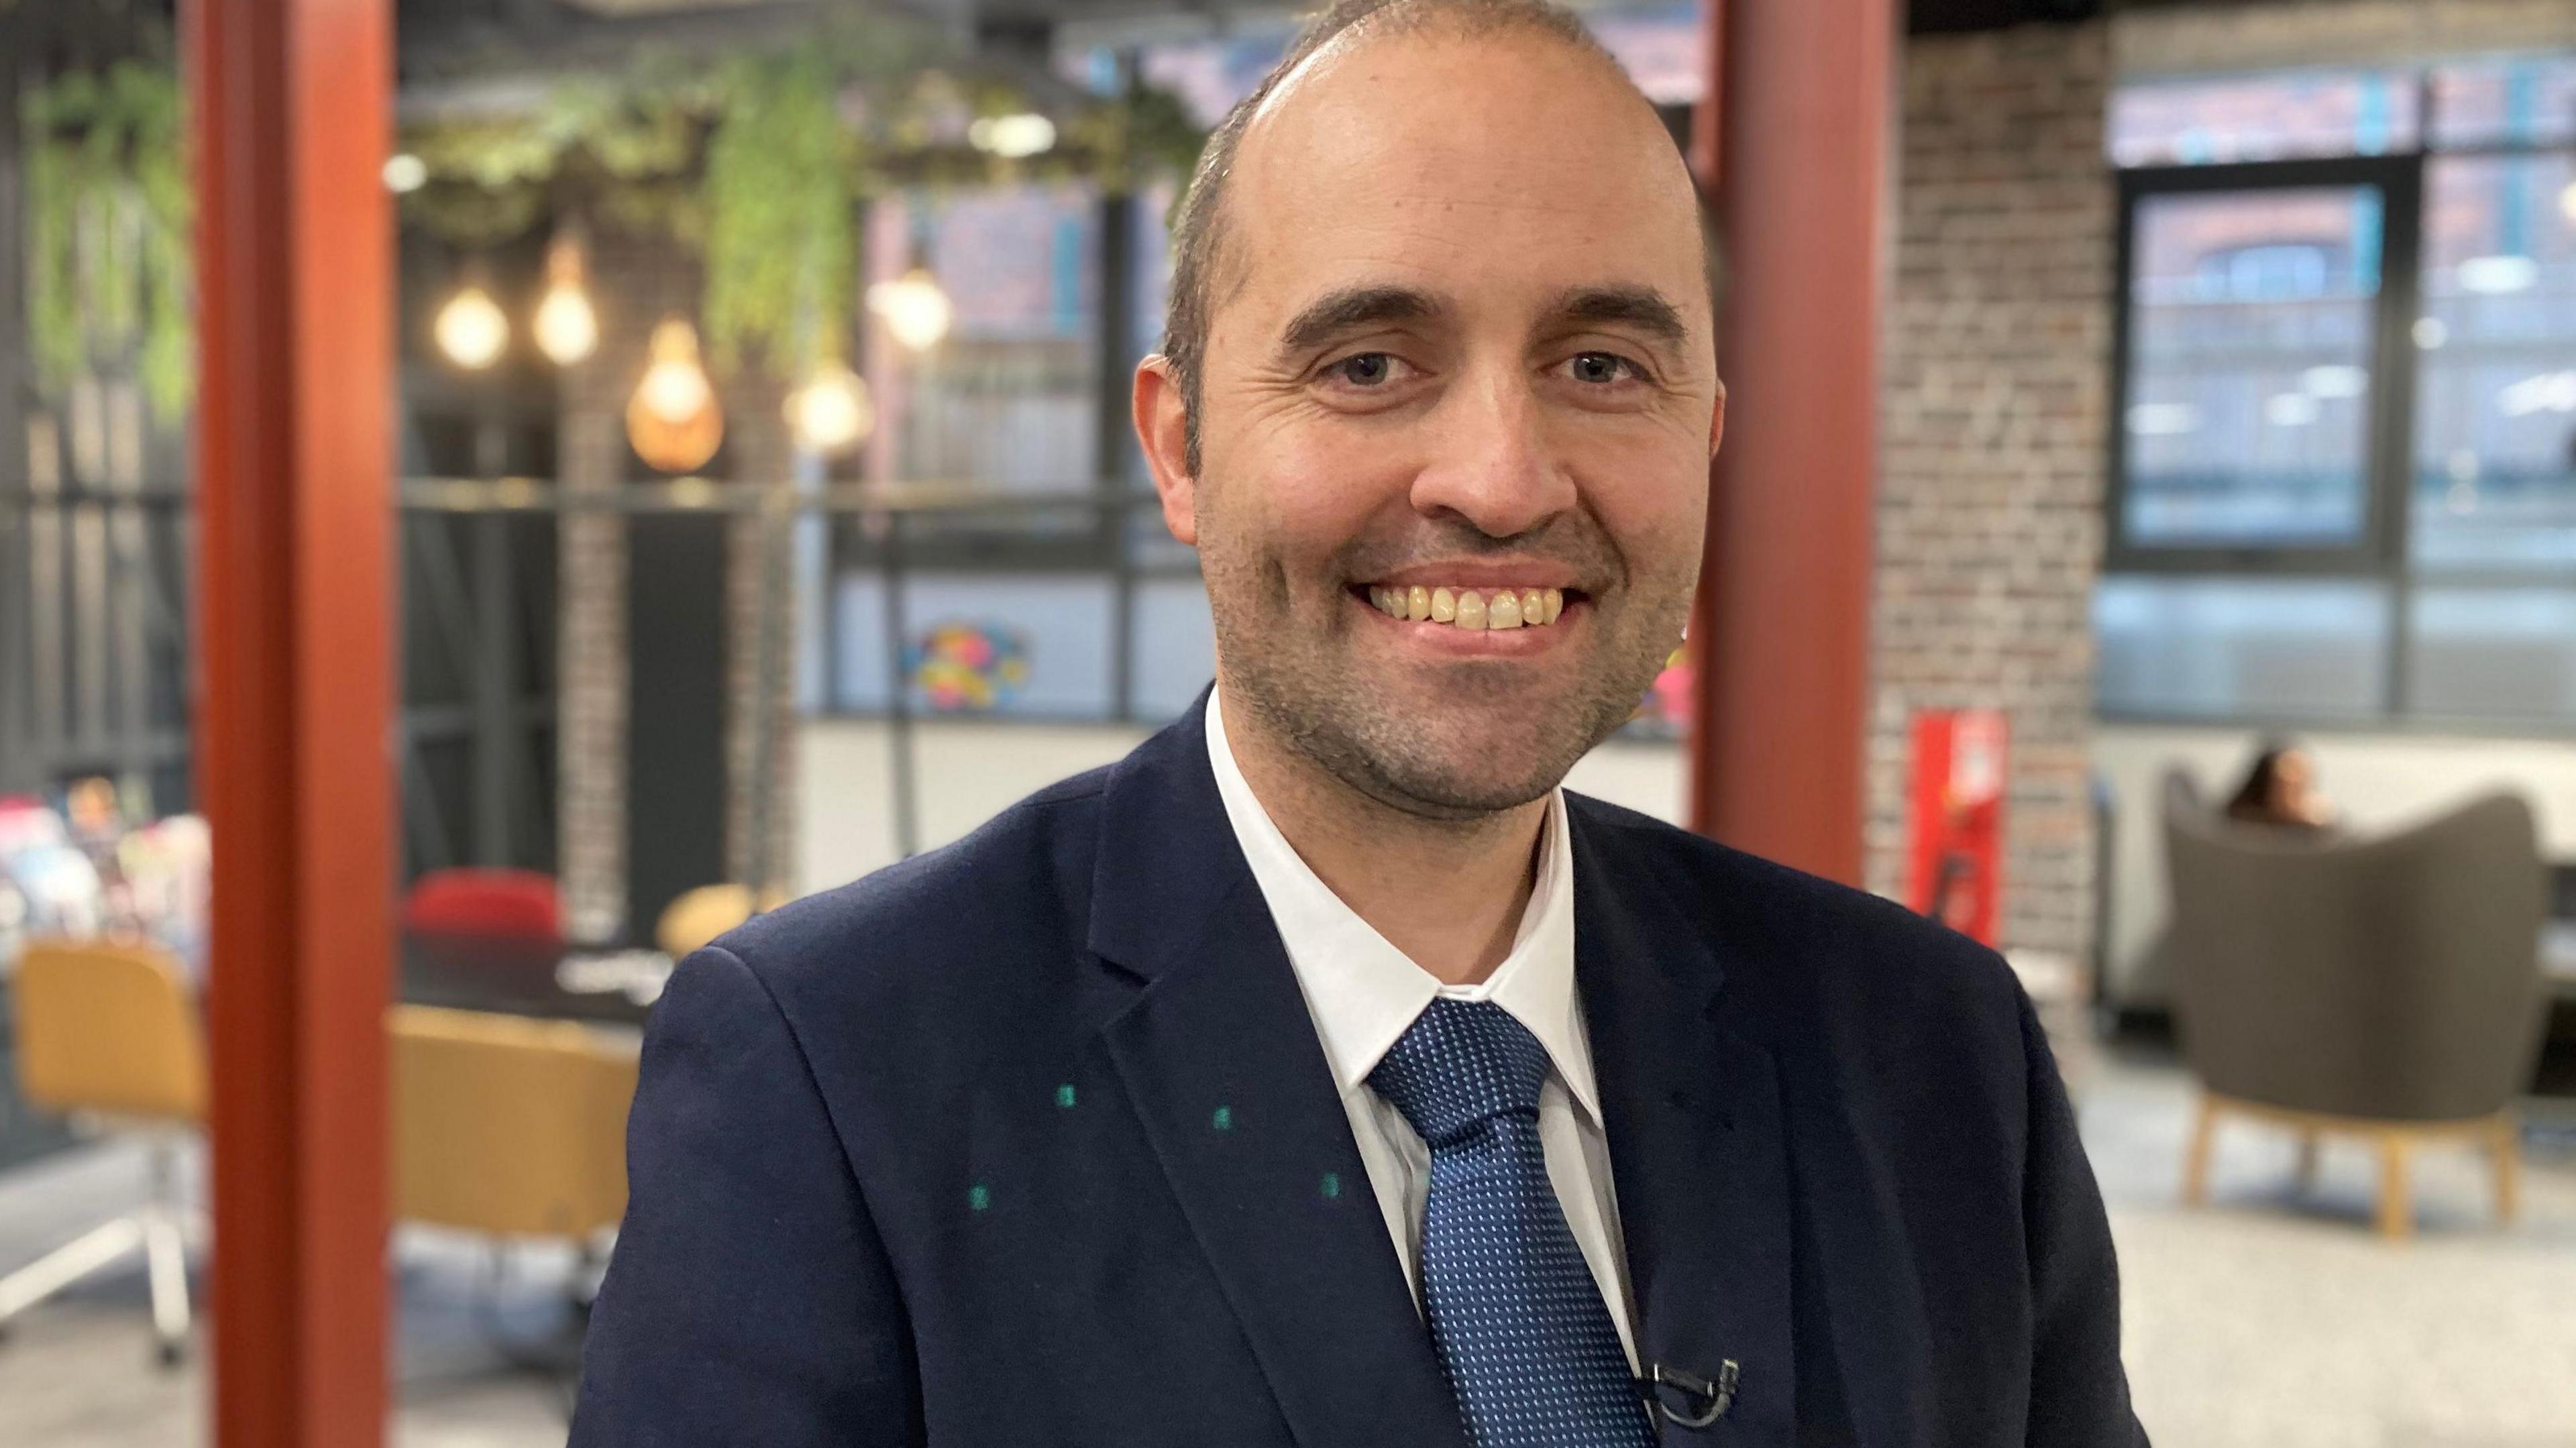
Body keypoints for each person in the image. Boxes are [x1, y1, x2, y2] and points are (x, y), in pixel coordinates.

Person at [572, 1, 2145, 1443]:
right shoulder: (834, 1079)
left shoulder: (1933, 1056)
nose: (1500, 478)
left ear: (1708, 436)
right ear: (1178, 448)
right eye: (1369, 363)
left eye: (1601, 364)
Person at [2223, 740, 2338, 830]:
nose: (2296, 783)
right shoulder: (2240, 825)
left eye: (2302, 782)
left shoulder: (2318, 821)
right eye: (2288, 784)